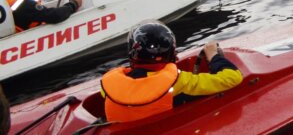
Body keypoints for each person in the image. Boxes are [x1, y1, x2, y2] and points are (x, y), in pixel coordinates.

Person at [101, 21, 243, 123]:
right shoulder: (180, 81)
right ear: (171, 52)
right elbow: (233, 77)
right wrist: (213, 55)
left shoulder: (107, 87)